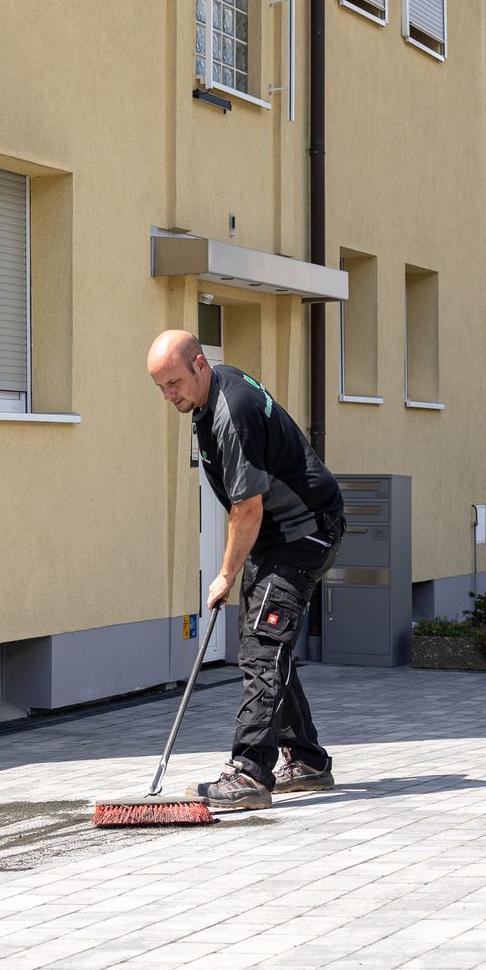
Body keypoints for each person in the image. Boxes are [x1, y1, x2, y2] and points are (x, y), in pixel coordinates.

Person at [146, 328, 346, 809]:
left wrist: (224, 573)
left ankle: (250, 773)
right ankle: (307, 759)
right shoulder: (210, 397)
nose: (170, 395)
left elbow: (248, 507)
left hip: (304, 534)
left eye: (174, 382)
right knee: (266, 648)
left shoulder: (232, 411)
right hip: (278, 537)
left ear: (199, 364)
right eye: (161, 388)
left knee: (261, 648)